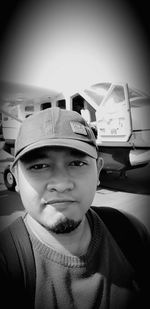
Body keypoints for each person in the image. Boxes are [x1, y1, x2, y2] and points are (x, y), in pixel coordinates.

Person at [0, 107, 150, 309]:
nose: (61, 184)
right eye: (38, 166)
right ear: (16, 177)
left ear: (98, 171)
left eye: (77, 163)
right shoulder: (7, 263)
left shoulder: (131, 233)